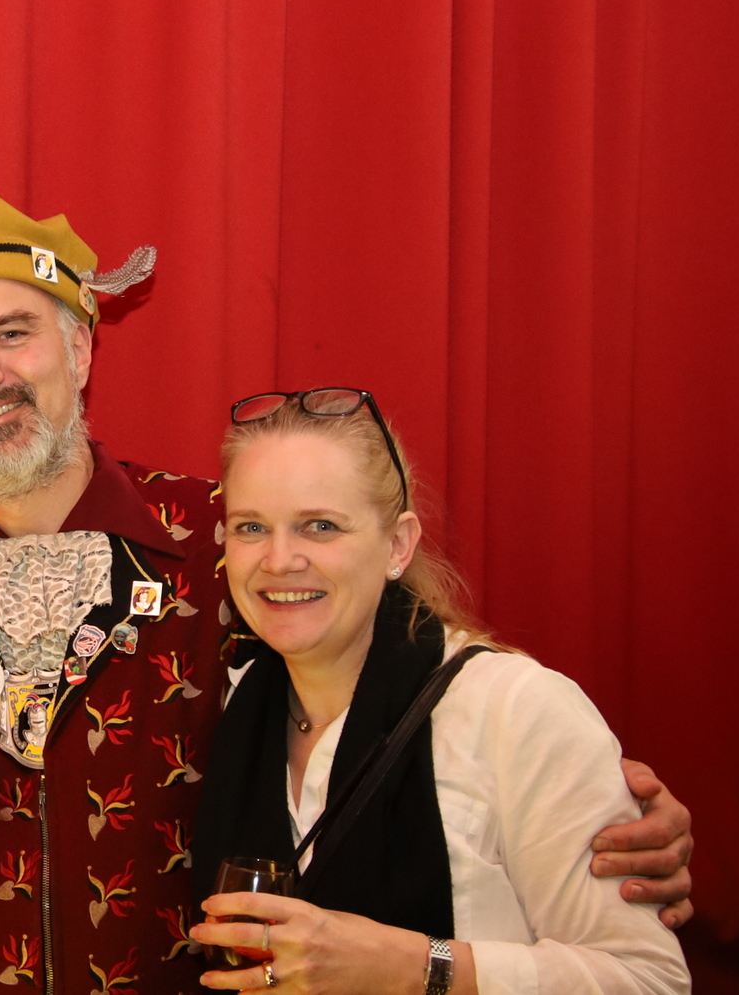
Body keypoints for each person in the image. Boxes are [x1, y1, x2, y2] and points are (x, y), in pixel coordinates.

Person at [0, 188, 696, 994]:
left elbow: (422, 710)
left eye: (12, 333)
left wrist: (596, 806)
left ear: (79, 348)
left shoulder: (239, 544)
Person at [191, 389, 689, 993]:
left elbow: (650, 980)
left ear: (398, 545)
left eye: (320, 526)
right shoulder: (223, 704)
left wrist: (414, 966)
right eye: (251, 527)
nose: (279, 559)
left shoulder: (515, 710)